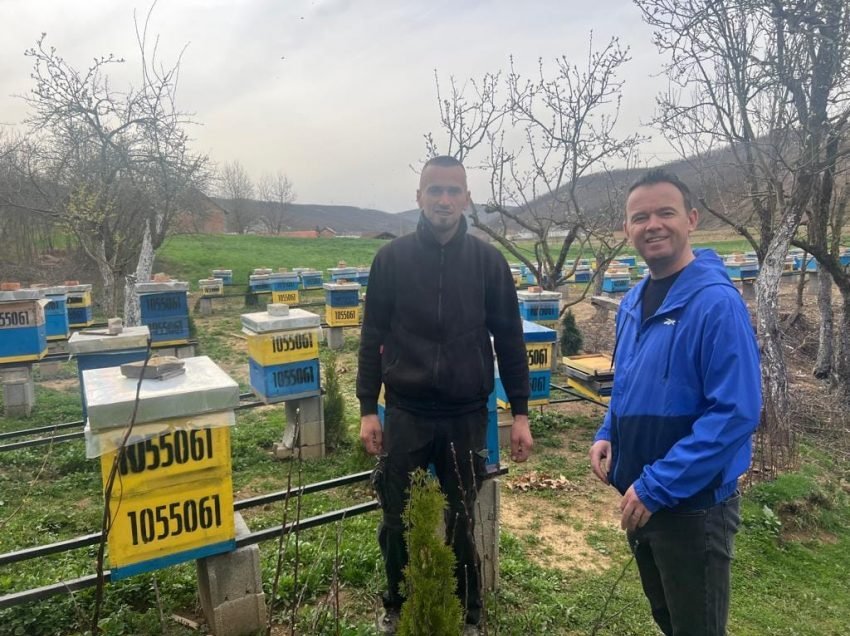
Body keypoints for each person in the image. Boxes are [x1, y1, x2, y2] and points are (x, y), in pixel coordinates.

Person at [357, 155, 533, 634]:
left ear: (467, 199)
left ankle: (470, 612)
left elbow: (511, 340)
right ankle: (396, 603)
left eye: (454, 191)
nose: (444, 200)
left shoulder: (488, 262)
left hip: (465, 413)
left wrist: (519, 413)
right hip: (407, 411)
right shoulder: (390, 260)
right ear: (418, 197)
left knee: (460, 517)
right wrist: (367, 408)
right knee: (397, 517)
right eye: (435, 190)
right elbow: (372, 335)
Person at [589, 169, 761, 636]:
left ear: (691, 219)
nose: (653, 225)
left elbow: (735, 413)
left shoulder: (715, 304)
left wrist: (657, 485)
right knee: (667, 619)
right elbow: (628, 384)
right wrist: (607, 433)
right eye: (639, 217)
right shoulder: (631, 302)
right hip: (641, 497)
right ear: (627, 230)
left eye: (665, 212)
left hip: (692, 507)